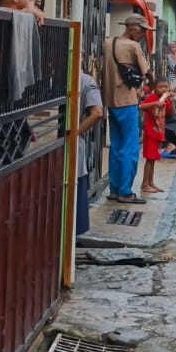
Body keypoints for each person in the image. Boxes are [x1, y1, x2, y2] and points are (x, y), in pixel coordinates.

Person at [101, 13, 151, 204]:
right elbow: (147, 71)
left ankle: (114, 189)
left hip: (110, 102)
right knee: (130, 148)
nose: (144, 34)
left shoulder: (108, 43)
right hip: (128, 102)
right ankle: (126, 191)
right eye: (143, 29)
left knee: (116, 147)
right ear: (132, 27)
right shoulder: (133, 46)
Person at [73, 67, 106, 237]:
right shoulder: (85, 80)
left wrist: (73, 134)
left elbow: (97, 113)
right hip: (72, 147)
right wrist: (74, 134)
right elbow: (98, 112)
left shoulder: (80, 80)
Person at [140, 75, 172, 194]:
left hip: (158, 133)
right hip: (150, 133)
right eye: (160, 87)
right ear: (155, 88)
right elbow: (141, 106)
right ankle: (144, 184)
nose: (163, 89)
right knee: (149, 159)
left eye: (166, 87)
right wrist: (154, 103)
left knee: (153, 159)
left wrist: (171, 101)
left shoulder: (166, 99)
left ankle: (150, 182)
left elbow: (171, 112)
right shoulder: (152, 97)